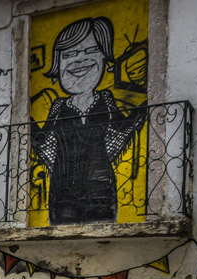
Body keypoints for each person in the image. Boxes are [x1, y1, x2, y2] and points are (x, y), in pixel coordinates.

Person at [31, 17, 147, 224]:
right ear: (58, 64)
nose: (79, 60)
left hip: (101, 189)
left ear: (104, 57)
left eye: (90, 51)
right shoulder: (58, 106)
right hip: (61, 190)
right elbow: (42, 139)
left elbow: (123, 127)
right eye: (69, 54)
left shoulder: (106, 99)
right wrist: (27, 119)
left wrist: (143, 105)